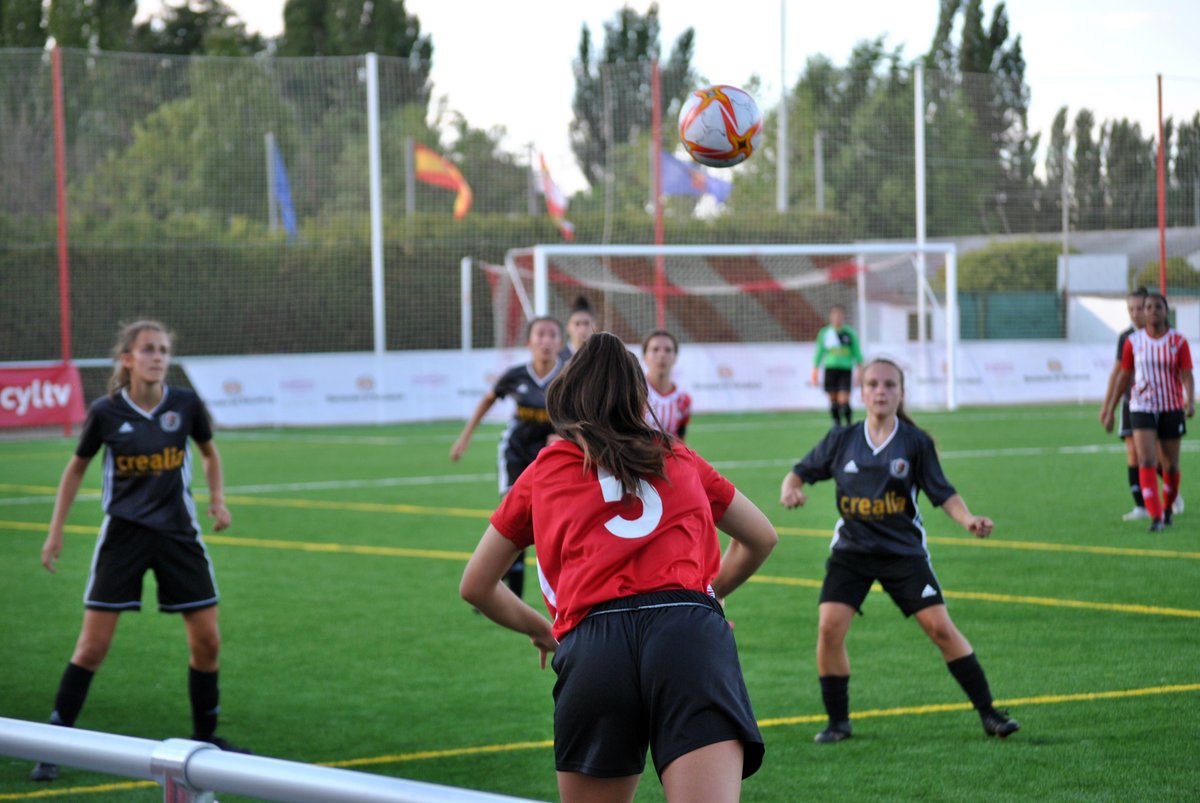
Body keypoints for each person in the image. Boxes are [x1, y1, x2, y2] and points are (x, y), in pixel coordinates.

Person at [461, 332, 777, 803]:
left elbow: (476, 584)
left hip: (594, 644)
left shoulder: (547, 467)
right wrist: (707, 592)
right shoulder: (678, 454)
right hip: (688, 634)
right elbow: (761, 537)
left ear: (570, 392)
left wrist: (541, 628)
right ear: (638, 394)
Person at [31, 321, 243, 782]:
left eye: (164, 350)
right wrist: (55, 532)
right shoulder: (106, 412)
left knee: (207, 642)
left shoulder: (184, 404)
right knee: (92, 647)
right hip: (123, 537)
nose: (158, 357)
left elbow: (209, 453)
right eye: (148, 350)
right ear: (127, 359)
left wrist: (218, 499)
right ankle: (51, 743)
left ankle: (207, 740)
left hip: (178, 536)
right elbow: (76, 470)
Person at [780, 357, 1019, 744]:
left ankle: (990, 713)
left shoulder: (914, 442)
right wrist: (789, 489)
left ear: (901, 393)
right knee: (829, 629)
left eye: (889, 385)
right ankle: (838, 723)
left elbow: (942, 492)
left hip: (902, 552)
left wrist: (968, 519)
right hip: (852, 551)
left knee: (940, 628)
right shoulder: (841, 439)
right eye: (873, 384)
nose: (880, 391)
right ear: (862, 392)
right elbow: (800, 470)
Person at [451, 316, 564, 597]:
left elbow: (582, 414)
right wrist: (465, 437)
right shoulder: (515, 375)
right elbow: (488, 400)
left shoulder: (568, 376)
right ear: (529, 342)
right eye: (540, 334)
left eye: (552, 335)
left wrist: (566, 435)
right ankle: (501, 590)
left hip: (550, 459)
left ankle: (506, 591)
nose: (546, 340)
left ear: (560, 343)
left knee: (545, 522)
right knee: (512, 521)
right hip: (515, 454)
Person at [1103, 292, 1194, 532]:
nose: (1152, 311)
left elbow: (1186, 373)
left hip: (1171, 407)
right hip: (1141, 407)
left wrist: (1190, 401)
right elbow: (1123, 375)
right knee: (1146, 459)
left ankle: (1168, 507)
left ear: (1166, 311)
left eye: (1157, 307)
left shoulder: (1178, 341)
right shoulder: (1133, 342)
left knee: (1171, 465)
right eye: (1148, 307)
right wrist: (1110, 408)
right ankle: (1155, 515)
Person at [1099, 287, 1153, 520]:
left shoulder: (1162, 335)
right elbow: (1118, 374)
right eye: (1130, 309)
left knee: (1157, 457)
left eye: (1139, 308)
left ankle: (1170, 492)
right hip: (1131, 403)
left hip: (1157, 403)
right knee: (1133, 453)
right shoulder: (1125, 337)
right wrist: (1107, 407)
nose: (1135, 313)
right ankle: (1141, 506)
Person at [811, 304, 864, 428]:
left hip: (845, 369)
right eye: (834, 315)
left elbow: (857, 353)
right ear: (830, 317)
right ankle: (837, 425)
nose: (837, 317)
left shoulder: (849, 333)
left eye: (839, 315)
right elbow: (819, 352)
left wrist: (859, 370)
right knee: (833, 400)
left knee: (844, 400)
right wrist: (815, 369)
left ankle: (849, 424)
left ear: (843, 316)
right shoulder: (825, 333)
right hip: (830, 369)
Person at [643, 329, 692, 441]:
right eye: (655, 349)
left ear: (675, 357)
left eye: (668, 350)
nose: (662, 355)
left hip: (672, 457)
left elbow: (681, 438)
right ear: (645, 356)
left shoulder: (683, 399)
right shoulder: (634, 393)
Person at [559, 295, 596, 363]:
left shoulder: (601, 356)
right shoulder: (558, 359)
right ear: (568, 328)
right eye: (577, 324)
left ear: (595, 327)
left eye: (586, 323)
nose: (582, 328)